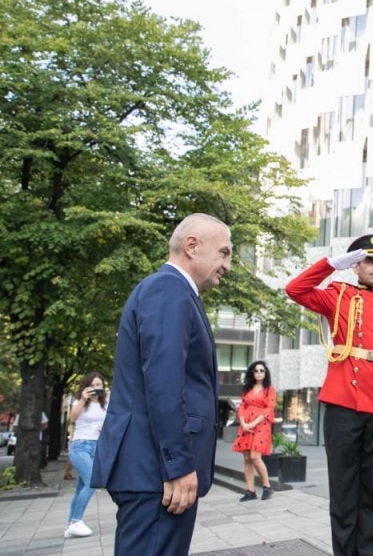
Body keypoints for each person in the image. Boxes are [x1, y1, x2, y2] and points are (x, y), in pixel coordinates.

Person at [92, 213, 232, 556]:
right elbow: (164, 383)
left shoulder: (171, 292)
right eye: (225, 252)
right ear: (192, 246)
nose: (228, 265)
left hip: (152, 471)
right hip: (157, 474)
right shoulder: (168, 290)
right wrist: (179, 465)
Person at [285, 233, 373, 556]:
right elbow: (294, 289)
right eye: (370, 260)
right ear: (355, 265)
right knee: (343, 491)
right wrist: (330, 265)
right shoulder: (338, 296)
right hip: (343, 406)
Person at [64, 372, 108, 538]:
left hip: (97, 446)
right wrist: (83, 399)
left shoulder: (106, 403)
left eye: (99, 385)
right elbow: (72, 419)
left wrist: (105, 425)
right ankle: (76, 521)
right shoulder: (79, 402)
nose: (97, 388)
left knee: (81, 487)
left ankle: (70, 525)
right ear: (86, 387)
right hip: (80, 446)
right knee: (91, 482)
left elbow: (113, 419)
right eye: (93, 385)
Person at [231, 360, 276, 501]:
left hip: (261, 425)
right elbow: (242, 406)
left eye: (262, 370)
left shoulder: (270, 389)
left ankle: (267, 487)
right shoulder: (247, 389)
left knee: (255, 457)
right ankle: (250, 491)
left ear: (265, 373)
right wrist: (244, 423)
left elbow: (269, 408)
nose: (259, 373)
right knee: (247, 459)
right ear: (252, 372)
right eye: (256, 370)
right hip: (246, 425)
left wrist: (253, 424)